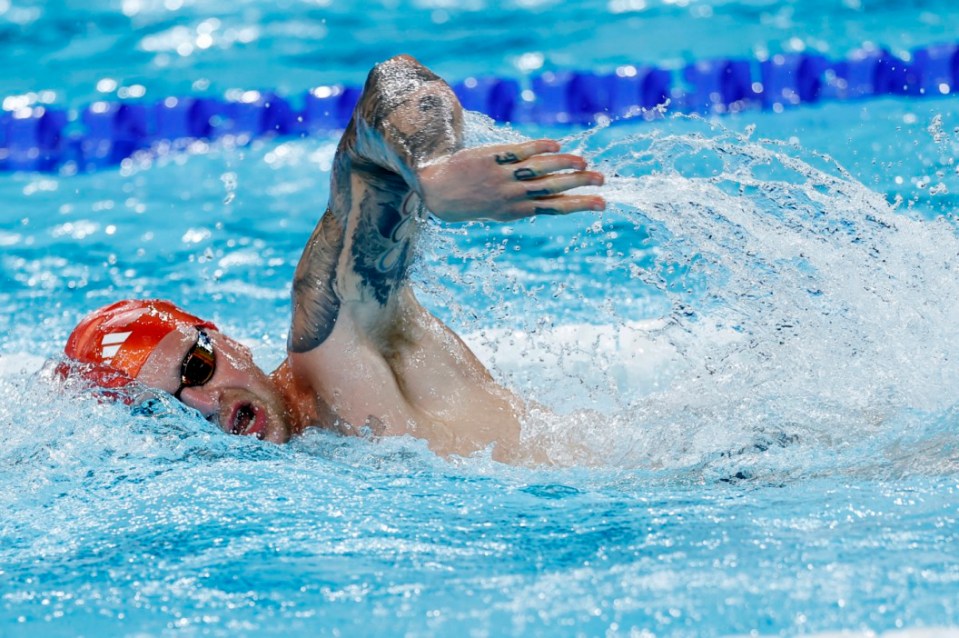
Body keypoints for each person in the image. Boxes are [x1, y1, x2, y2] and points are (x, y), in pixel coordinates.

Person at [63, 55, 606, 463]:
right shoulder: (296, 462)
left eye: (198, 367)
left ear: (224, 339)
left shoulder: (334, 346)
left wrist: (430, 167)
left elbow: (393, 84)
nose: (205, 403)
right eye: (168, 413)